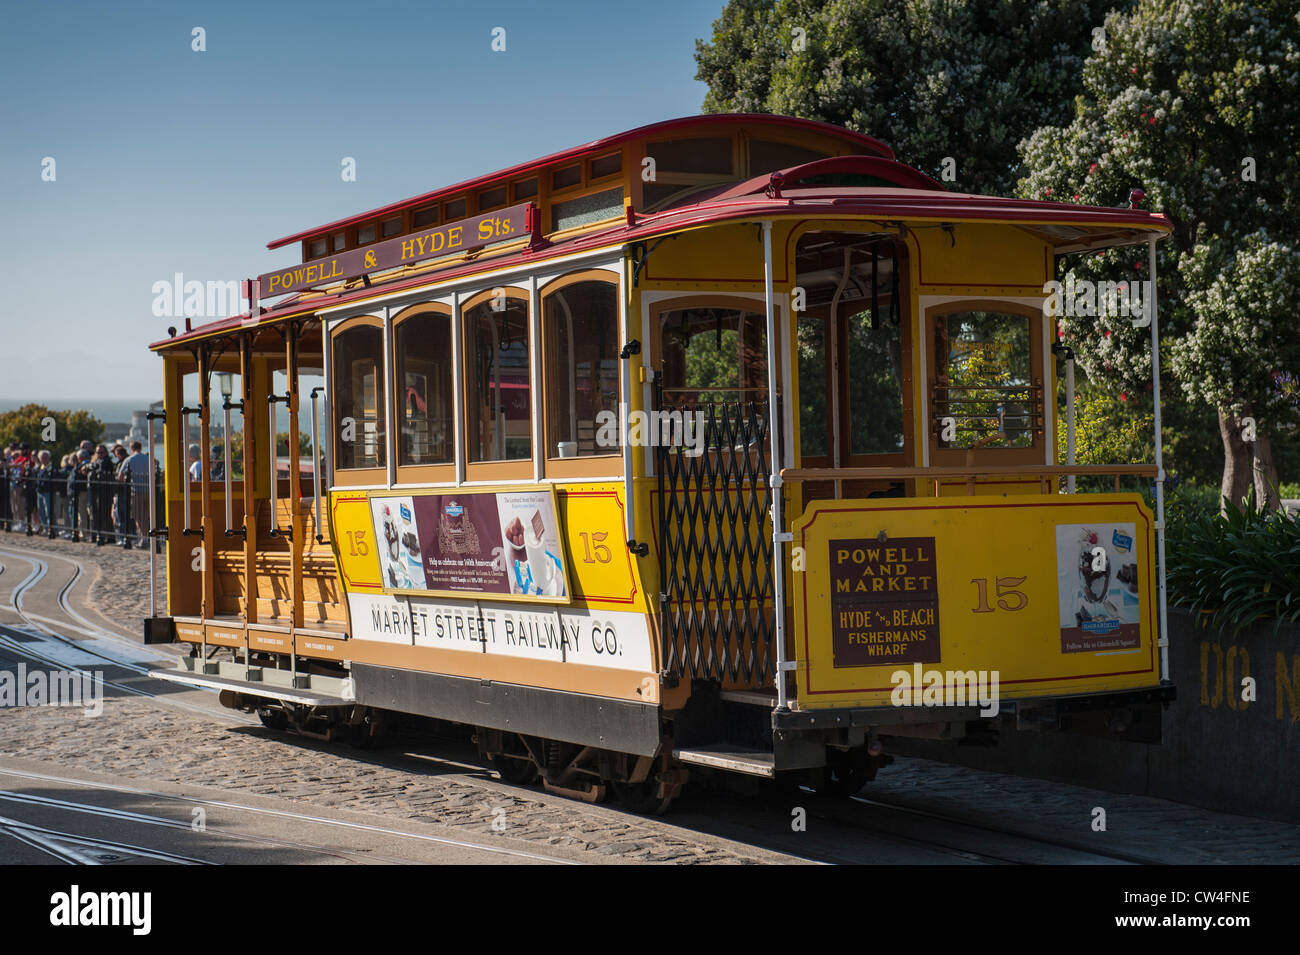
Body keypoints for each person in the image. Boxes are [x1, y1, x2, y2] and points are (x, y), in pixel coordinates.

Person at [124, 440, 152, 545]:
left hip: (136, 491)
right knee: (148, 515)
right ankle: (147, 536)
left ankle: (144, 537)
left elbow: (121, 476)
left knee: (139, 516)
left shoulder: (130, 459)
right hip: (149, 490)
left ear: (131, 448)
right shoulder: (148, 459)